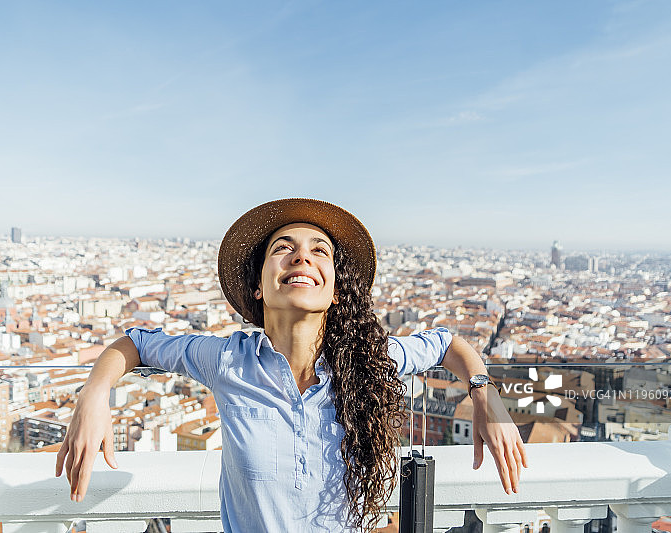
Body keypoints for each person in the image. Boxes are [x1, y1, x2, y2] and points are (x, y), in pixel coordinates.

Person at [55, 198, 527, 532]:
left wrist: (487, 396)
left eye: (319, 249)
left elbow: (449, 345)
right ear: (259, 285)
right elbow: (136, 344)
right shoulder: (227, 361)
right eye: (283, 247)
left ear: (335, 289)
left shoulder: (368, 361)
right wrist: (94, 395)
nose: (302, 254)